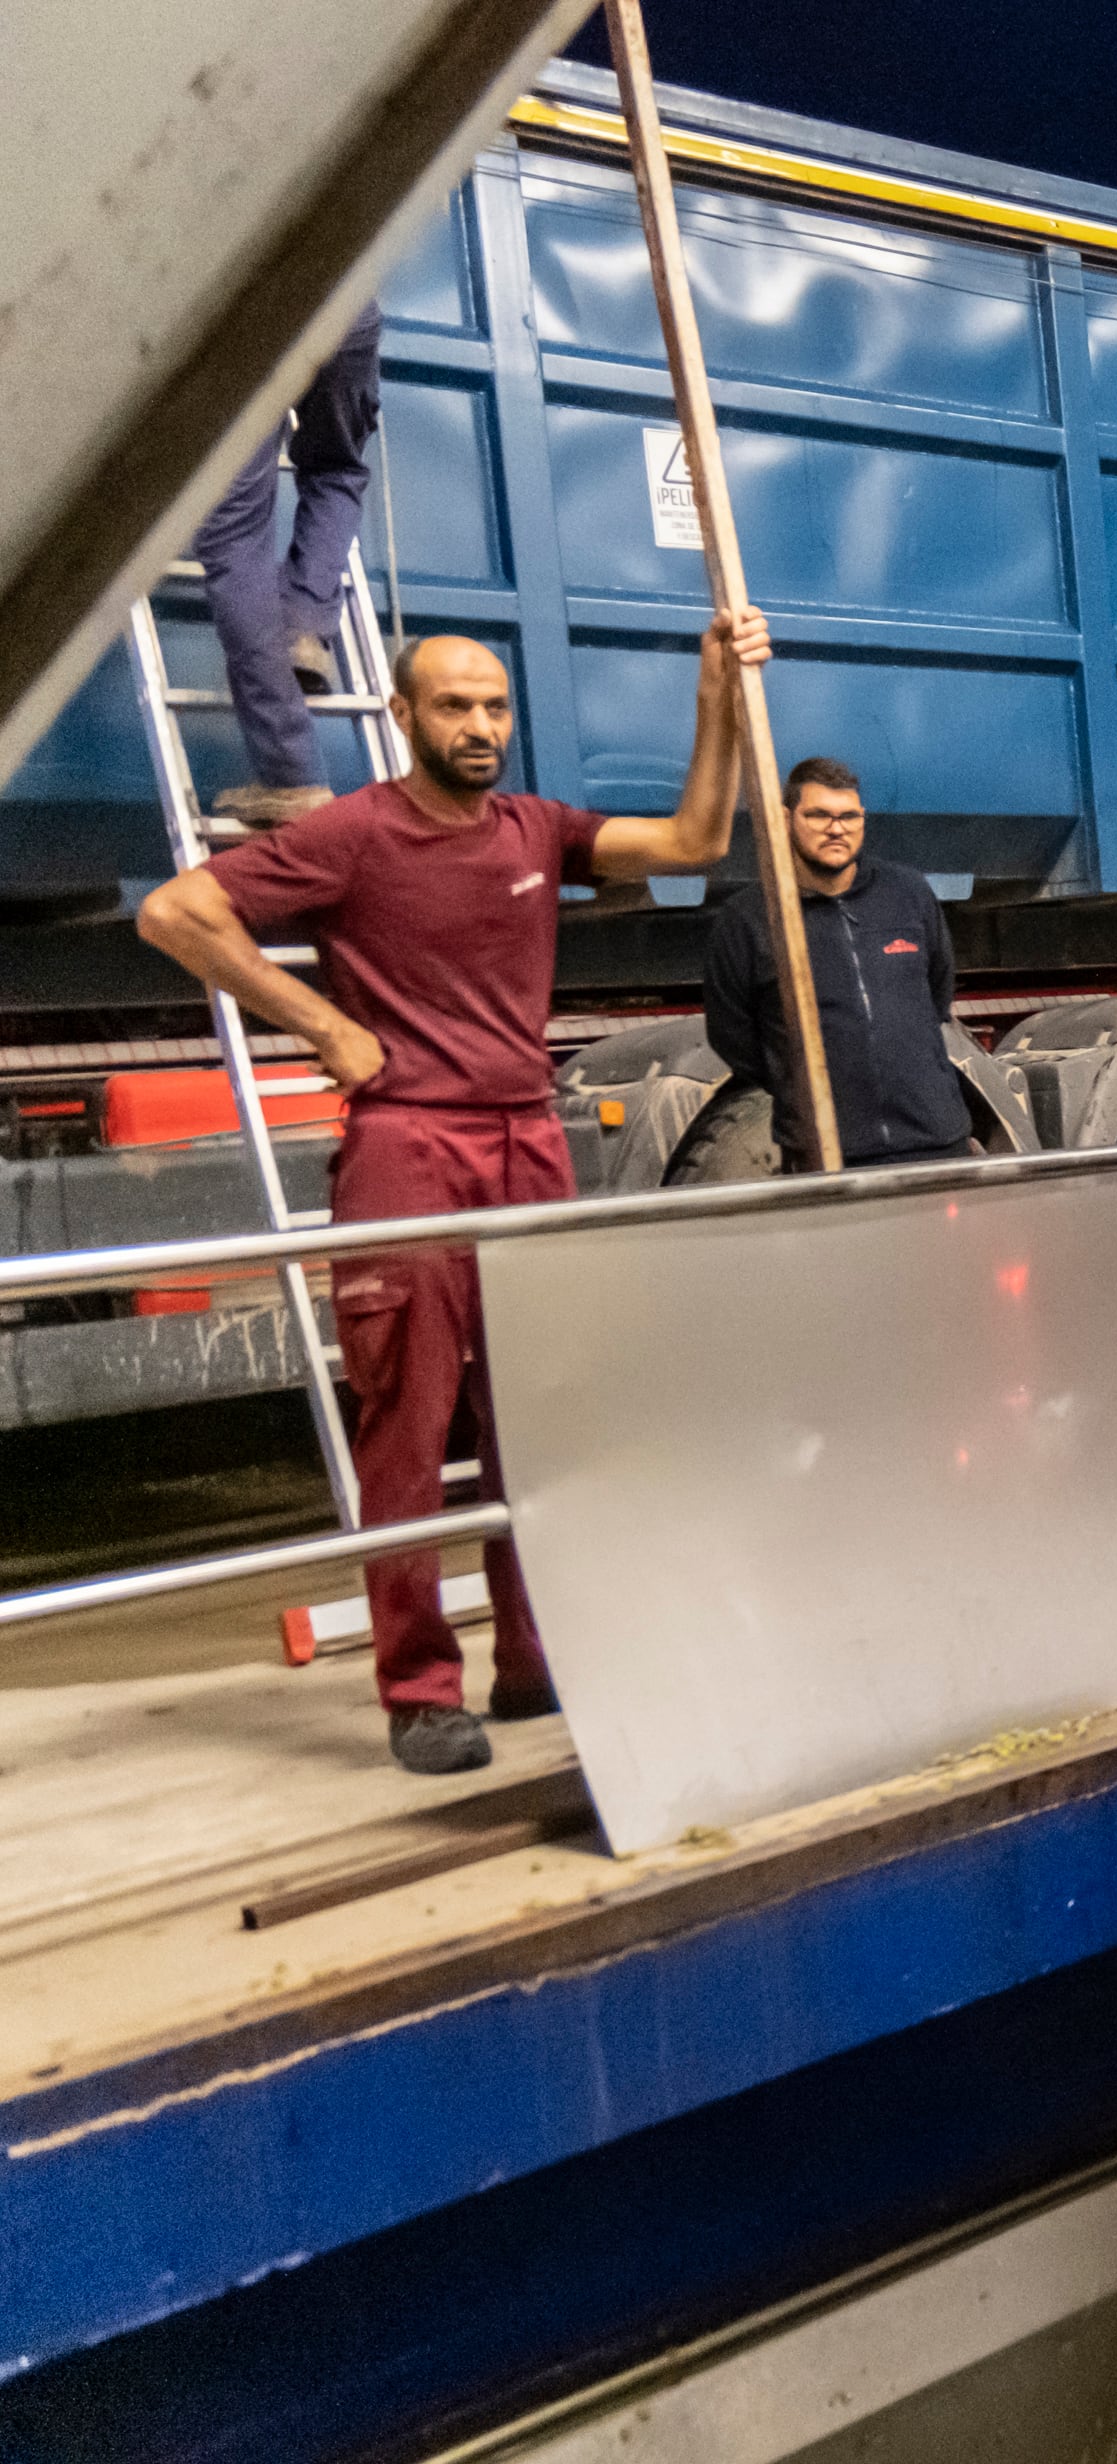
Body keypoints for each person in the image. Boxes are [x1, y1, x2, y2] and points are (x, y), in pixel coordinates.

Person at [137, 613, 774, 1774]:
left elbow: (693, 839)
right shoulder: (350, 836)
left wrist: (716, 696)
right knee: (410, 1430)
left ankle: (532, 1661)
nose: (480, 726)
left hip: (526, 1140)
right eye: (454, 705)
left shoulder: (538, 828)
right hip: (409, 1150)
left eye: (494, 706)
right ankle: (421, 1689)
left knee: (542, 1413)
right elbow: (175, 911)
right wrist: (322, 1023)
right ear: (403, 715)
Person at [704, 755, 970, 1172]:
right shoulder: (750, 918)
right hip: (827, 1156)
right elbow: (732, 1036)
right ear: (786, 818)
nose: (836, 828)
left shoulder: (908, 894)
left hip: (935, 1143)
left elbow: (937, 995)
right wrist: (798, 1086)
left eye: (848, 816)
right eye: (819, 815)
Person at [196, 304, 385, 827]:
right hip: (353, 310)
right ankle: (303, 625)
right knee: (338, 470)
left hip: (259, 308)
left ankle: (290, 774)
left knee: (234, 537)